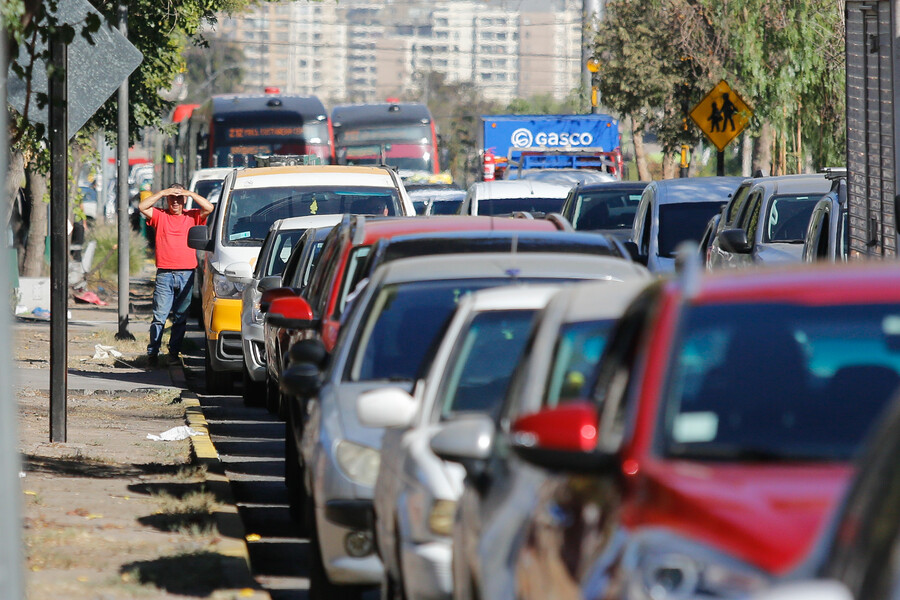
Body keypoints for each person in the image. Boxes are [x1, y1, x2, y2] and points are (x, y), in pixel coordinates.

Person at [139, 183, 213, 365]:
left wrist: (190, 193)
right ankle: (153, 353)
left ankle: (173, 353)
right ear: (167, 200)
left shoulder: (193, 216)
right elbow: (142, 207)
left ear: (184, 200)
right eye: (172, 198)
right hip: (165, 274)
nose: (175, 202)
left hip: (187, 274)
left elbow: (209, 208)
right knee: (160, 317)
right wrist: (163, 192)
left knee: (181, 318)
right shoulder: (160, 215)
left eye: (179, 198)